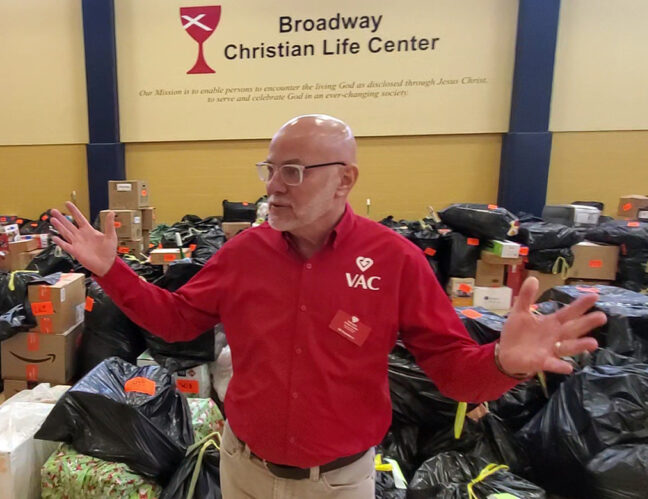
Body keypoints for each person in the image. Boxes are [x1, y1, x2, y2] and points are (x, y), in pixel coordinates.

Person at [48, 114, 606, 498]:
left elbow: (453, 374)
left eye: (293, 171)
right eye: (269, 169)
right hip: (242, 470)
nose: (274, 187)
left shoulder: (396, 261)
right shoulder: (245, 255)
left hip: (336, 484)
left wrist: (503, 364)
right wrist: (110, 270)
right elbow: (174, 321)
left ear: (345, 180)